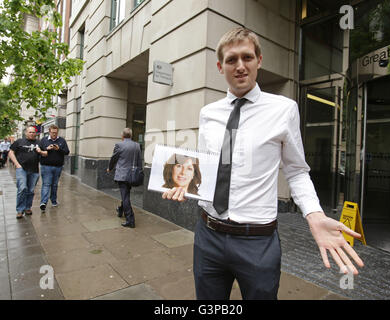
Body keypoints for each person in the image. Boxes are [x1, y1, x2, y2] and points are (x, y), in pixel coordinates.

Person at [162, 27, 364, 300]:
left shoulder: (284, 109)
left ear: (259, 60)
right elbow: (210, 167)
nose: (240, 66)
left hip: (257, 242)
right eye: (232, 60)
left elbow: (296, 170)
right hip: (207, 235)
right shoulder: (208, 113)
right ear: (221, 67)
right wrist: (185, 184)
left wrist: (313, 214)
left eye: (247, 57)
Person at [107, 128, 142, 228]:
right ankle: (121, 209)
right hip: (132, 175)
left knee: (125, 196)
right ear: (131, 135)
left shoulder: (119, 145)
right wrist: (139, 172)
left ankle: (130, 220)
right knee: (126, 194)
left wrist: (109, 168)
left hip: (122, 176)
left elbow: (114, 158)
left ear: (122, 136)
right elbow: (139, 161)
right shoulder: (136, 145)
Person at [8, 126, 42, 219]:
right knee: (22, 188)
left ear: (35, 133)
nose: (32, 134)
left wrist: (41, 152)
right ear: (26, 133)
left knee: (30, 190)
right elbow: (11, 152)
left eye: (33, 132)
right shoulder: (19, 142)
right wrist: (17, 164)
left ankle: (27, 208)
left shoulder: (38, 143)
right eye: (30, 132)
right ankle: (19, 210)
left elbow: (44, 152)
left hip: (34, 170)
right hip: (22, 169)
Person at [38, 125, 70, 212]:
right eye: (52, 132)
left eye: (56, 133)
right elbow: (38, 151)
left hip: (58, 167)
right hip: (46, 167)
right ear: (49, 132)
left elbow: (67, 152)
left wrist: (59, 149)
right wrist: (46, 148)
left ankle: (53, 200)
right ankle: (43, 203)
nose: (54, 134)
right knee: (46, 184)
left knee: (54, 185)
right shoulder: (44, 140)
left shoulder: (62, 140)